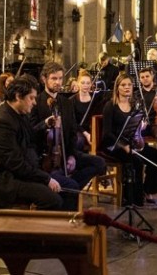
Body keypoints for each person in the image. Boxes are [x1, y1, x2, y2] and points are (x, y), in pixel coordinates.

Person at [0, 75, 65, 210]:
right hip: (6, 181)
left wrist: (45, 125)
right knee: (53, 200)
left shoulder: (18, 114)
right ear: (18, 96)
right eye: (31, 98)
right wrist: (46, 179)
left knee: (70, 187)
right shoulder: (1, 122)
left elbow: (30, 136)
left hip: (22, 174)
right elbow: (15, 163)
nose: (34, 102)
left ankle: (69, 229)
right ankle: (34, 230)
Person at [31, 62, 105, 210]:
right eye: (54, 78)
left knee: (99, 163)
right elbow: (31, 132)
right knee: (73, 186)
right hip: (46, 159)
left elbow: (72, 132)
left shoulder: (66, 102)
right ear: (44, 79)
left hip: (66, 153)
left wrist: (71, 155)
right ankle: (69, 190)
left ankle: (67, 187)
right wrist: (45, 124)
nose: (58, 82)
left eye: (60, 78)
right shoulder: (36, 102)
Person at [100, 74, 150, 206]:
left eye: (129, 85)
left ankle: (146, 191)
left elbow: (135, 129)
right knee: (136, 161)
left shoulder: (134, 106)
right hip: (113, 145)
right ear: (117, 88)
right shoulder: (110, 106)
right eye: (123, 85)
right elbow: (107, 134)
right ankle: (131, 198)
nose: (127, 87)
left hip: (129, 142)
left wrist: (141, 126)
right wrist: (124, 145)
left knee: (154, 154)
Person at [71, 70, 104, 152]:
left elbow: (99, 118)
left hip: (93, 129)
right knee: (79, 140)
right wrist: (86, 134)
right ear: (78, 83)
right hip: (79, 130)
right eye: (82, 83)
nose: (85, 85)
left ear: (91, 84)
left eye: (88, 83)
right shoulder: (72, 101)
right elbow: (73, 122)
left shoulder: (96, 99)